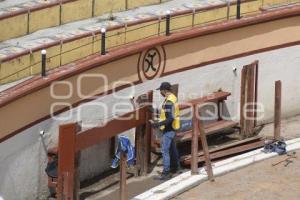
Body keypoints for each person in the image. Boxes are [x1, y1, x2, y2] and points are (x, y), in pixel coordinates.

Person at [151, 82, 181, 180]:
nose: (160, 92)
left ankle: (166, 173)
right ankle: (176, 168)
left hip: (169, 129)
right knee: (172, 149)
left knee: (164, 151)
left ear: (164, 90)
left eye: (160, 90)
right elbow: (167, 113)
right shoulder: (172, 98)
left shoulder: (169, 102)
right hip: (173, 128)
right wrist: (154, 111)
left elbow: (170, 118)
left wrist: (157, 124)